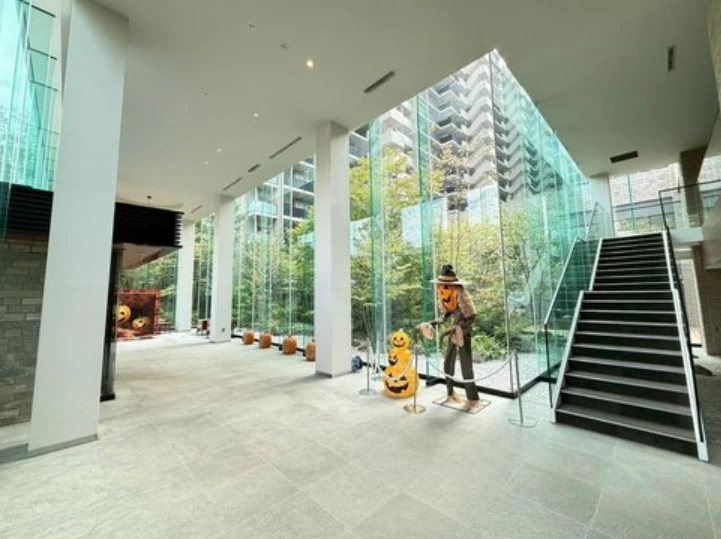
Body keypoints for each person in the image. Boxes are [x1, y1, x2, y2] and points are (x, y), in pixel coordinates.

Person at [424, 264, 481, 411]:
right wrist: (433, 323)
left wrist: (460, 328)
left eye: (445, 284)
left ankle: (473, 398)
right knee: (448, 361)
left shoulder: (460, 293)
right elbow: (447, 314)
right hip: (453, 330)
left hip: (463, 331)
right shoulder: (446, 293)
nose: (442, 286)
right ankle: (450, 393)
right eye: (441, 284)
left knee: (466, 364)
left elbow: (471, 316)